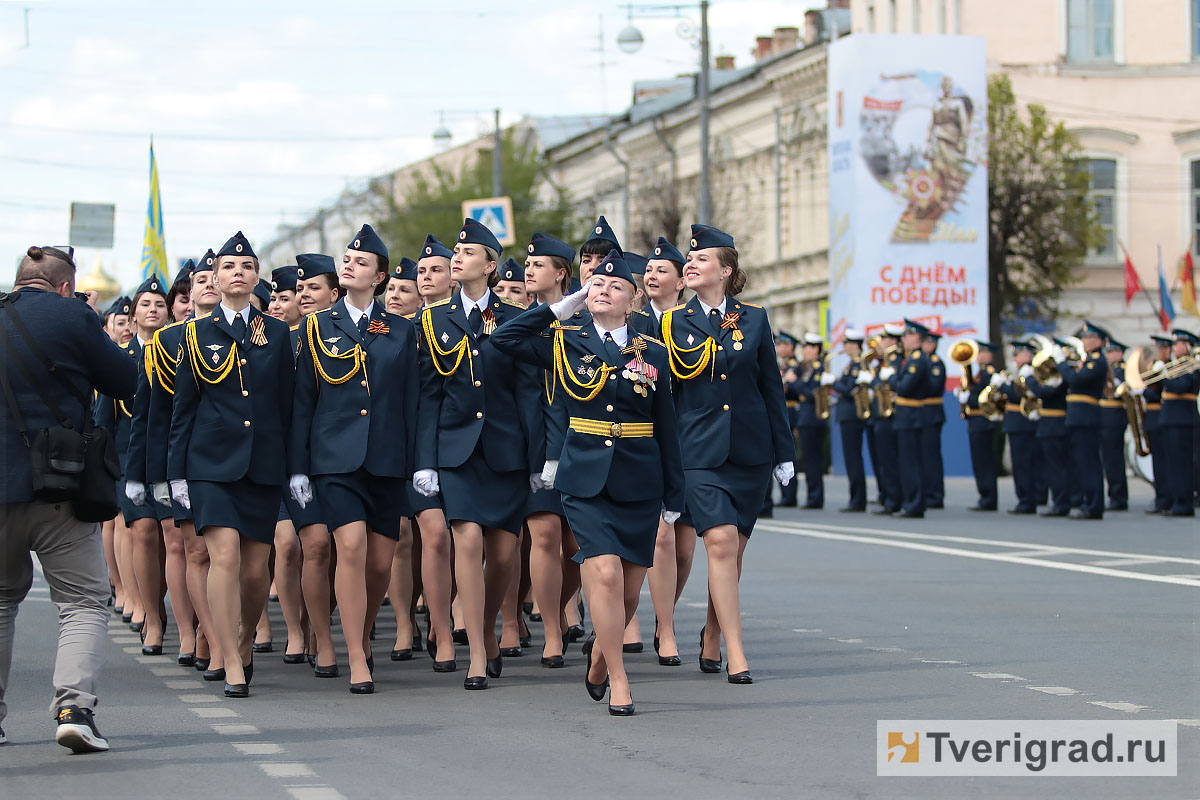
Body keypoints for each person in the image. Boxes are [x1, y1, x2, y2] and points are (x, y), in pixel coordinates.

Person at [493, 251, 685, 715]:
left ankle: (602, 654)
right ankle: (619, 680)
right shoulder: (564, 340)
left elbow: (667, 428)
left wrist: (675, 494)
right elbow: (505, 338)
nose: (603, 290)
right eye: (596, 283)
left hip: (640, 478)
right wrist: (559, 307)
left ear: (632, 300)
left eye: (615, 286)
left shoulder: (652, 351)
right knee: (603, 571)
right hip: (585, 477)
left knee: (630, 589)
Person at [1, 244, 137, 752]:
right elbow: (127, 381)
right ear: (64, 285)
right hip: (59, 487)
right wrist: (87, 318)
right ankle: (74, 709)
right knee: (82, 601)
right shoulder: (72, 315)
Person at [662, 224, 793, 685]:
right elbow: (664, 396)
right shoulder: (670, 322)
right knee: (717, 541)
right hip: (696, 450)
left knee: (733, 552)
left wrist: (784, 451)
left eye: (701, 260)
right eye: (689, 260)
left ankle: (714, 631)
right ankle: (737, 653)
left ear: (726, 270)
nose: (691, 265)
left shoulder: (754, 318)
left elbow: (770, 387)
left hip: (750, 451)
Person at [289, 224, 418, 694]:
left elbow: (411, 402)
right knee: (351, 547)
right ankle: (348, 652)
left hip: (386, 459)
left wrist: (418, 462)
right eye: (347, 259)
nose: (349, 265)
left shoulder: (399, 330)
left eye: (361, 262)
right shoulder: (318, 325)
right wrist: (299, 467)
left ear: (379, 277)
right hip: (334, 460)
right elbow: (303, 400)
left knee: (381, 563)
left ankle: (360, 635)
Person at [413, 218, 541, 690]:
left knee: (504, 554)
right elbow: (429, 395)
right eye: (455, 254)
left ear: (490, 265)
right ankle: (476, 653)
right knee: (465, 539)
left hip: (507, 450)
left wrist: (537, 460)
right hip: (457, 451)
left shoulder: (513, 319)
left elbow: (530, 394)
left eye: (468, 254)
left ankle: (485, 626)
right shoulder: (434, 319)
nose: (457, 259)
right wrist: (425, 460)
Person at [168, 231, 296, 698]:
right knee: (222, 557)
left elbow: (289, 406)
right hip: (211, 464)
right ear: (216, 279)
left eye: (245, 267)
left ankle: (242, 641)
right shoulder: (195, 334)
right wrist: (176, 473)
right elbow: (183, 408)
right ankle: (230, 662)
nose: (237, 273)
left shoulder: (276, 333)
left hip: (263, 463)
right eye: (227, 267)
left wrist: (293, 468)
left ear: (256, 276)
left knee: (254, 570)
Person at [139, 250, 224, 674]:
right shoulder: (166, 342)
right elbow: (154, 415)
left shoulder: (243, 334)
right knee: (189, 547)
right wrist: (152, 475)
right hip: (180, 460)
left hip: (224, 460)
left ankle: (218, 633)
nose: (209, 283)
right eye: (201, 279)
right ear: (187, 293)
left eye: (214, 276)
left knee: (224, 552)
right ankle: (193, 632)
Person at [518, 232, 581, 667]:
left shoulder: (584, 323)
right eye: (527, 263)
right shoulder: (519, 320)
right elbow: (505, 341)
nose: (529, 270)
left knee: (576, 542)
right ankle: (553, 632)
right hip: (532, 442)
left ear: (561, 272)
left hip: (581, 442)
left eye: (539, 264)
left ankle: (561, 608)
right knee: (543, 533)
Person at [112, 276, 173, 657]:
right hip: (127, 458)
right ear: (132, 319)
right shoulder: (120, 359)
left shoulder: (177, 352)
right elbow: (106, 418)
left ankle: (168, 605)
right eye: (145, 305)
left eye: (159, 305)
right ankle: (151, 614)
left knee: (173, 540)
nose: (153, 309)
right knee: (145, 532)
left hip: (169, 456)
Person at [288, 253, 340, 675]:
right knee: (313, 545)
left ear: (334, 295)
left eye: (314, 288)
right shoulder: (277, 336)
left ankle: (319, 618)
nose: (305, 295)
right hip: (291, 458)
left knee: (344, 551)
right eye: (300, 289)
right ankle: (314, 636)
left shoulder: (350, 334)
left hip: (337, 457)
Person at [410, 235, 457, 671]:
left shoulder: (464, 321)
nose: (426, 277)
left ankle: (450, 618)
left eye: (435, 270)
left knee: (460, 540)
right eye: (421, 271)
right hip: (410, 448)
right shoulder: (398, 325)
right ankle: (439, 628)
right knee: (434, 534)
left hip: (456, 446)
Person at [1059, 321, 1108, 520]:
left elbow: (1077, 380)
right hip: (1079, 417)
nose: (1084, 341)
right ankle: (1088, 501)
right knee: (1082, 462)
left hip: (1086, 417)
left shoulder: (1096, 361)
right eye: (1084, 338)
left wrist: (1062, 364)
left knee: (1089, 463)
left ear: (1097, 341)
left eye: (1088, 338)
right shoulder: (1086, 360)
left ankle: (1094, 505)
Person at [884, 319, 931, 518]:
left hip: (911, 417)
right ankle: (911, 501)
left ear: (917, 337)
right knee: (907, 462)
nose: (903, 339)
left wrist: (891, 376)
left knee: (911, 462)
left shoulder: (918, 360)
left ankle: (915, 503)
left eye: (907, 335)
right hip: (907, 417)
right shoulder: (911, 359)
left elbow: (904, 387)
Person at [1155, 328, 1199, 517]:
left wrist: (1163, 373)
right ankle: (1175, 500)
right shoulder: (1176, 365)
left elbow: (1180, 387)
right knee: (1172, 463)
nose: (1174, 347)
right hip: (1170, 419)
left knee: (1182, 465)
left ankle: (1184, 503)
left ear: (1187, 345)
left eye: (1177, 344)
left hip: (1182, 420)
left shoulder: (1192, 365)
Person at [997, 339, 1040, 514]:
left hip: (1023, 423)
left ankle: (1027, 500)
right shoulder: (1019, 372)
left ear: (1028, 354)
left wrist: (1004, 386)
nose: (1014, 358)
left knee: (1024, 463)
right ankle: (1023, 498)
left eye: (1018, 354)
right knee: (1019, 463)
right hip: (1015, 422)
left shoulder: (1029, 373)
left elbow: (1018, 395)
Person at [831, 329, 871, 512]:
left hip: (852, 414)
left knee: (853, 458)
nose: (844, 347)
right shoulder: (851, 364)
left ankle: (858, 499)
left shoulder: (858, 364)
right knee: (852, 458)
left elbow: (848, 389)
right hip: (848, 414)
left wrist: (833, 382)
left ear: (855, 345)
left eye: (847, 343)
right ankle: (856, 497)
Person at [957, 340, 998, 511]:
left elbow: (987, 398)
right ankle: (984, 495)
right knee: (978, 461)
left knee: (985, 461)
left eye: (982, 353)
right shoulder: (978, 373)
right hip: (975, 420)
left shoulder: (990, 374)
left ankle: (988, 498)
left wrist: (969, 399)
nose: (979, 356)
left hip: (983, 420)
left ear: (989, 355)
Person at [870, 323, 904, 514]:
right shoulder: (882, 361)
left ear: (892, 340)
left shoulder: (897, 361)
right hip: (879, 415)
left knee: (890, 460)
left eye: (884, 338)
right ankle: (887, 496)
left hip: (890, 416)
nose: (881, 342)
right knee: (883, 460)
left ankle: (894, 499)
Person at [795, 333, 828, 509]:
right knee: (809, 460)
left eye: (807, 347)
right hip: (806, 418)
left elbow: (811, 393)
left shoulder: (818, 368)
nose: (804, 351)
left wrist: (795, 383)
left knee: (813, 460)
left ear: (815, 349)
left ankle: (815, 497)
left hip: (813, 419)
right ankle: (812, 495)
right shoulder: (808, 368)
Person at [1142, 334, 1172, 514]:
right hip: (1152, 418)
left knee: (1167, 462)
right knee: (1158, 464)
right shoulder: (1154, 367)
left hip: (1164, 416)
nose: (1158, 352)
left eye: (1161, 348)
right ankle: (1161, 497)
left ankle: (1168, 498)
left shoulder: (1169, 369)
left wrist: (1145, 391)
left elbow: (1161, 395)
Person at [1099, 335, 1129, 511]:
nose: (1108, 355)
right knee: (1108, 459)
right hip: (1103, 417)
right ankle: (1114, 494)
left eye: (1112, 351)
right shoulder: (1106, 369)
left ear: (1120, 353)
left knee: (1114, 459)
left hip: (1115, 418)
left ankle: (1119, 496)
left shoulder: (1123, 370)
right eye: (1108, 351)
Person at [921, 329, 947, 508]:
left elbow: (934, 387)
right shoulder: (924, 362)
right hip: (922, 413)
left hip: (931, 413)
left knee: (931, 457)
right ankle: (926, 491)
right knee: (922, 456)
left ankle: (935, 495)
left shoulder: (936, 364)